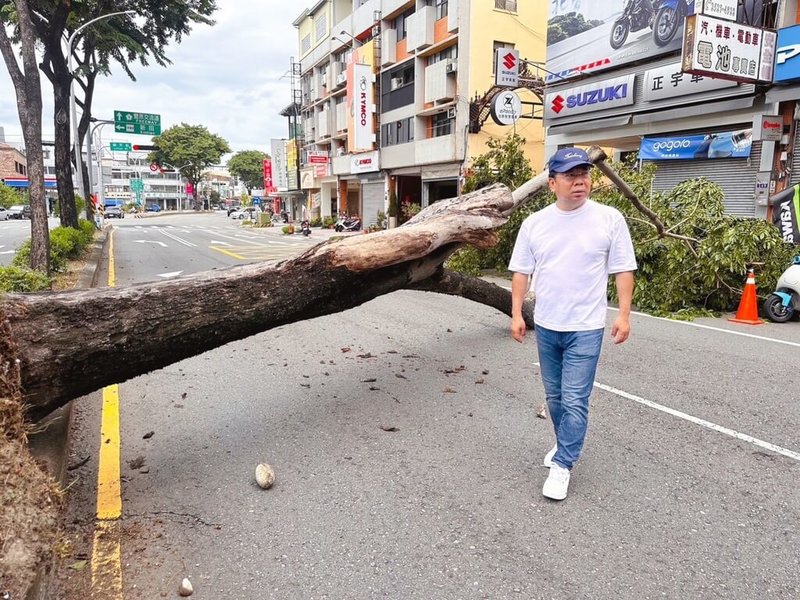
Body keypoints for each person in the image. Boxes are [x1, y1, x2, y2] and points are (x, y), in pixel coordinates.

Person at [508, 147, 637, 501]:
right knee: (555, 397)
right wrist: (517, 313)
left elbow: (623, 268)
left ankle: (563, 463)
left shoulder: (609, 219)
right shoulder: (535, 224)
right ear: (552, 183)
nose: (579, 181)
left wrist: (624, 314)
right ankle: (563, 441)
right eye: (570, 175)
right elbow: (521, 272)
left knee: (576, 398)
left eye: (584, 174)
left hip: (586, 326)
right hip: (548, 324)